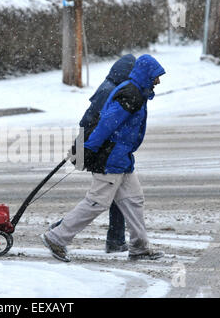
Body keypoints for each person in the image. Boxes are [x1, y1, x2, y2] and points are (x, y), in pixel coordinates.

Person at [41, 54, 166, 262]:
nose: (158, 80)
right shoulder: (131, 94)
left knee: (134, 200)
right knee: (96, 202)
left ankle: (139, 247)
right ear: (146, 74)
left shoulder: (137, 92)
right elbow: (107, 123)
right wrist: (88, 148)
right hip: (111, 158)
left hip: (122, 158)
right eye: (156, 76)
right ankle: (56, 237)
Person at [50, 54, 137, 253]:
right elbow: (94, 123)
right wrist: (84, 149)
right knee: (98, 200)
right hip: (105, 153)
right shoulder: (113, 91)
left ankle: (115, 239)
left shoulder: (111, 87)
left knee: (111, 197)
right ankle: (61, 230)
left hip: (109, 151)